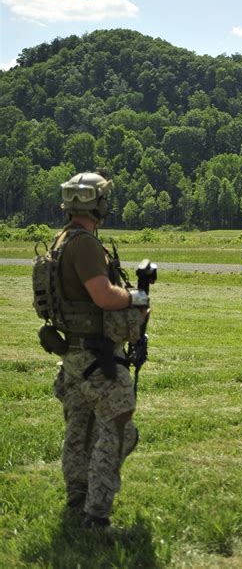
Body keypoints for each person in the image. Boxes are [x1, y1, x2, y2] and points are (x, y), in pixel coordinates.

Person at [46, 172, 149, 530]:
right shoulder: (85, 244)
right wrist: (136, 297)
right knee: (120, 430)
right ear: (98, 204)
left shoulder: (60, 241)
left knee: (80, 431)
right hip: (96, 357)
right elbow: (104, 296)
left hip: (72, 356)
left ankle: (78, 500)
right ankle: (96, 515)